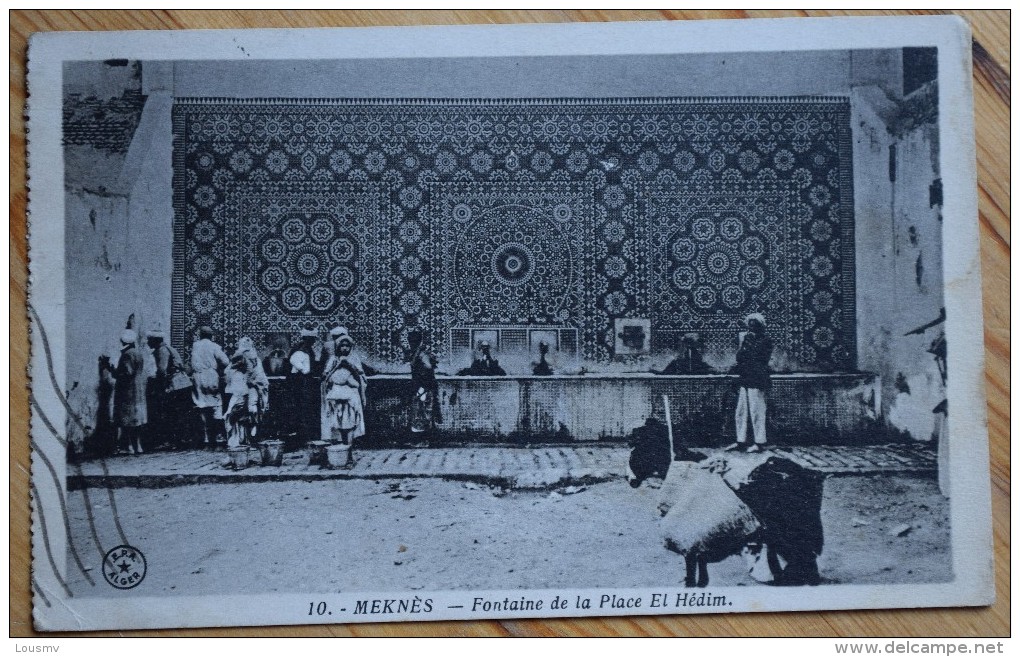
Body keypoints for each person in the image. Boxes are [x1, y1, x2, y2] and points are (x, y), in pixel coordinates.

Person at [725, 313, 774, 453]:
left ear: (761, 326)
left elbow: (760, 358)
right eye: (750, 325)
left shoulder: (766, 340)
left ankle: (759, 442)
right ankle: (741, 440)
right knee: (741, 411)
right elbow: (740, 357)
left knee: (757, 410)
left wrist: (748, 346)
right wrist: (743, 344)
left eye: (754, 325)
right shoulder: (746, 339)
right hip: (745, 378)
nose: (751, 327)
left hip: (757, 379)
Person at [322, 327, 368, 444]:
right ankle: (343, 445)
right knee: (340, 422)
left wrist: (349, 366)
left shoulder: (354, 358)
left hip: (351, 396)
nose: (345, 348)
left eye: (347, 345)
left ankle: (349, 446)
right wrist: (337, 366)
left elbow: (361, 377)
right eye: (342, 345)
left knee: (351, 421)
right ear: (338, 347)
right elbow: (326, 377)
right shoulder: (333, 359)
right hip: (337, 395)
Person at [147, 330, 190, 450]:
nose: (147, 342)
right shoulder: (168, 348)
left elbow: (162, 370)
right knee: (180, 413)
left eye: (149, 340)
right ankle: (181, 440)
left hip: (175, 385)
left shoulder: (162, 351)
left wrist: (162, 387)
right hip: (182, 383)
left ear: (155, 341)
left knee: (172, 413)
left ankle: (175, 441)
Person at [223, 336, 270, 448]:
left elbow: (259, 377)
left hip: (250, 390)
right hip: (243, 390)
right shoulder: (242, 358)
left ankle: (247, 439)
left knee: (249, 412)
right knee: (241, 413)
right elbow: (229, 373)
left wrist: (254, 383)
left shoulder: (254, 360)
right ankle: (242, 440)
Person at [108, 329, 148, 455]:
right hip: (138, 389)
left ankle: (129, 446)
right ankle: (139, 446)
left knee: (127, 419)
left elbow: (126, 373)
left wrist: (112, 370)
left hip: (128, 391)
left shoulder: (126, 355)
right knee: (137, 420)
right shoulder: (138, 353)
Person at [191, 325, 230, 449]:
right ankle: (219, 437)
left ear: (200, 335)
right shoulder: (214, 347)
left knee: (201, 405)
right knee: (216, 404)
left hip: (197, 377)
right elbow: (226, 361)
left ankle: (207, 439)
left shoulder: (195, 346)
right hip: (211, 376)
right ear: (211, 336)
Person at [289, 326, 324, 445]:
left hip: (303, 382)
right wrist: (306, 371)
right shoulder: (301, 349)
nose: (313, 341)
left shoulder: (306, 349)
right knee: (303, 408)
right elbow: (300, 366)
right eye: (312, 339)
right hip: (301, 383)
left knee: (304, 409)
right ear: (307, 338)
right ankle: (303, 438)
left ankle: (304, 437)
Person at [408, 328, 441, 433]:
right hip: (420, 387)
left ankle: (424, 440)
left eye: (412, 341)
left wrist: (423, 385)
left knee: (423, 414)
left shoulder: (422, 354)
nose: (410, 343)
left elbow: (428, 367)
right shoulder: (417, 353)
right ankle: (422, 439)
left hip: (423, 388)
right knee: (420, 414)